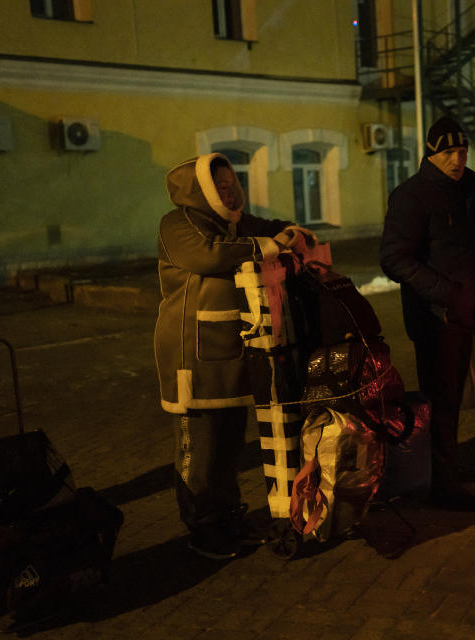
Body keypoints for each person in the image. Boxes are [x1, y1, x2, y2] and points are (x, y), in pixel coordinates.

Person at [154, 152, 314, 558]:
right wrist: (269, 246)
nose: (228, 191)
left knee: (228, 447)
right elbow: (210, 253)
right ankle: (202, 527)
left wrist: (292, 233)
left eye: (232, 184)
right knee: (199, 451)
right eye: (219, 186)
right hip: (192, 354)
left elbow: (271, 231)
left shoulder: (236, 222)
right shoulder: (179, 224)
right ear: (199, 190)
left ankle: (227, 516)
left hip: (231, 350)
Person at [380, 116, 475, 512]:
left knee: (451, 402)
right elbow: (393, 257)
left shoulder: (464, 192)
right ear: (431, 153)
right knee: (439, 403)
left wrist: (471, 303)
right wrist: (443, 292)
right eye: (449, 152)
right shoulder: (413, 196)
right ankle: (442, 485)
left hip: (460, 315)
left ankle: (446, 470)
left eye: (462, 151)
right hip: (434, 319)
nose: (458, 158)